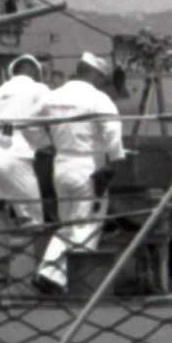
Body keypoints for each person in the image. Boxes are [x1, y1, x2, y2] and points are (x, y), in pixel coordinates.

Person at [34, 52, 126, 294]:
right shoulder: (98, 99)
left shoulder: (52, 96)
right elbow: (112, 131)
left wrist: (47, 144)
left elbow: (30, 123)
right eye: (101, 78)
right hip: (88, 167)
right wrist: (115, 162)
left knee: (67, 224)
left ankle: (49, 273)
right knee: (88, 225)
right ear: (96, 74)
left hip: (61, 164)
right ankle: (78, 284)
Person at [0, 54, 50, 226]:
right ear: (34, 71)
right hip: (17, 156)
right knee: (33, 219)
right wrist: (47, 144)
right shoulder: (39, 89)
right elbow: (41, 122)